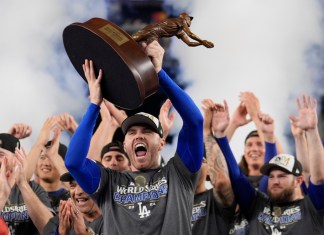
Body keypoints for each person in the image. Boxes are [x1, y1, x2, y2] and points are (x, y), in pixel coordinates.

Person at [65, 40, 204, 234]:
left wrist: (159, 74)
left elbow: (195, 122)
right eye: (131, 132)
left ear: (161, 142)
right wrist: (94, 104)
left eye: (147, 131)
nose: (139, 135)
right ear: (125, 145)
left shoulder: (179, 174)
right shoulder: (108, 182)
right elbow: (73, 162)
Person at [211, 95, 324, 234]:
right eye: (271, 176)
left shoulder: (312, 206)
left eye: (282, 176)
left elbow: (317, 176)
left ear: (298, 180)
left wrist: (312, 131)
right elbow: (236, 176)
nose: (275, 181)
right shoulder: (257, 205)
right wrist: (220, 135)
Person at [190, 99, 235, 235]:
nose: (193, 163)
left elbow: (221, 182)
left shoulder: (214, 199)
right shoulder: (173, 203)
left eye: (201, 160)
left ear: (210, 171)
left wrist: (206, 132)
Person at [0, 133, 53, 235]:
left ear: (16, 158)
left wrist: (23, 184)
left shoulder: (34, 189)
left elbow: (50, 230)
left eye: (1, 155)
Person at [132, 12, 214, 48]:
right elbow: (190, 34)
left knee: (156, 51)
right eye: (189, 18)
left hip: (155, 35)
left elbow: (189, 43)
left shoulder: (180, 31)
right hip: (152, 30)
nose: (190, 20)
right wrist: (202, 41)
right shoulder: (181, 21)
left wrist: (201, 44)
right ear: (185, 17)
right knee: (132, 40)